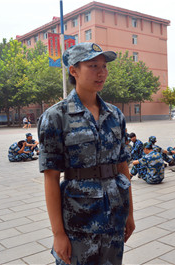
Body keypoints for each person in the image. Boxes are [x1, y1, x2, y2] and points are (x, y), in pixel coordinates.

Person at [37, 42, 135, 265]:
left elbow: (122, 167)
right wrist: (58, 234)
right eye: (93, 66)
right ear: (74, 70)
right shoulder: (56, 116)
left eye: (104, 66)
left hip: (114, 216)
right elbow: (51, 177)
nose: (102, 72)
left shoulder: (115, 115)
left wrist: (129, 214)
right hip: (79, 222)